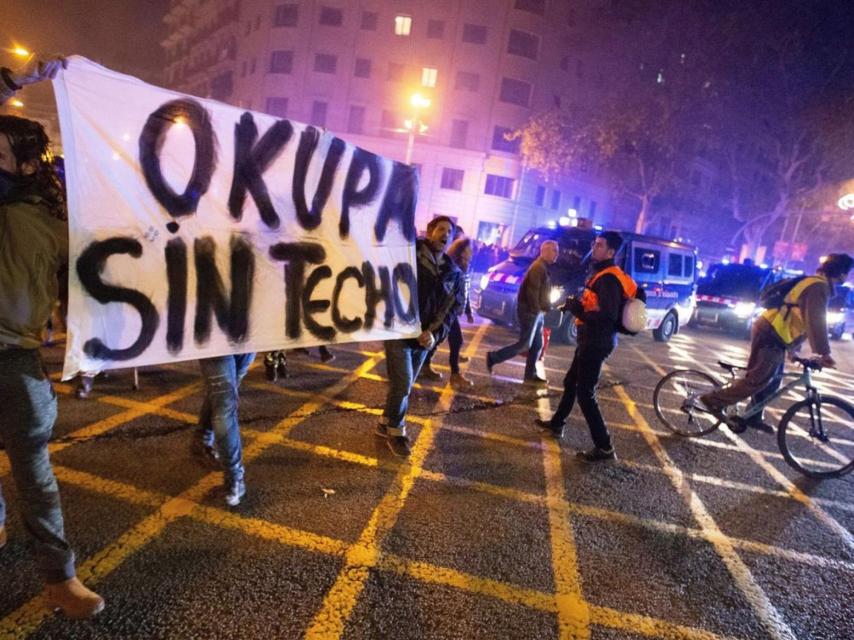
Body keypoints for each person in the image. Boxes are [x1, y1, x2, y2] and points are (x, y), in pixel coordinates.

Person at [0, 102, 104, 616]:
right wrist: (12, 83)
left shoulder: (50, 222)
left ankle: (59, 579)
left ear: (25, 163)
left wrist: (93, 348)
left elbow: (86, 287)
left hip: (15, 360)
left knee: (35, 475)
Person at [698, 253, 853, 428]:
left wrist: (792, 350)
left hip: (774, 331)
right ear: (841, 272)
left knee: (773, 381)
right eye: (848, 272)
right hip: (770, 331)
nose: (847, 276)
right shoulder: (818, 287)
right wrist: (824, 353)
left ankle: (753, 417)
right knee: (757, 380)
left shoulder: (815, 283)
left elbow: (796, 319)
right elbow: (815, 321)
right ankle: (712, 400)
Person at [536, 231, 633, 462]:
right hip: (589, 339)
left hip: (597, 342)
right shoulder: (601, 273)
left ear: (611, 252)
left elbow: (607, 315)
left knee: (585, 393)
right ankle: (557, 423)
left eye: (599, 245)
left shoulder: (609, 278)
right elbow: (595, 306)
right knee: (571, 382)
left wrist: (577, 310)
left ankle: (605, 446)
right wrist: (577, 305)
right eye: (594, 243)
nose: (594, 247)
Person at [377, 216, 462, 457]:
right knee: (403, 383)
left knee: (402, 385)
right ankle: (396, 431)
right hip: (399, 332)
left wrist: (434, 334)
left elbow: (451, 309)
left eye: (450, 232)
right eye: (441, 229)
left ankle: (384, 421)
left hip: (425, 339)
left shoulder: (453, 272)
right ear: (430, 232)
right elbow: (390, 287)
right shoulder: (408, 255)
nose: (445, 234)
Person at [486, 240, 558, 385]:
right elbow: (533, 293)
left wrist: (545, 308)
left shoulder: (542, 267)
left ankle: (530, 375)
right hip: (531, 313)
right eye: (555, 250)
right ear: (545, 251)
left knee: (537, 345)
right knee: (524, 345)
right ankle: (493, 357)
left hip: (537, 312)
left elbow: (541, 293)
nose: (557, 254)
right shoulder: (538, 268)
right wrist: (538, 311)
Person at [193, 353, 255, 505]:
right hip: (218, 341)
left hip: (248, 341)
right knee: (224, 404)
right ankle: (234, 478)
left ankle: (201, 439)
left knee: (223, 392)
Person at [420, 236, 475, 386]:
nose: (472, 252)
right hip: (447, 310)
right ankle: (455, 375)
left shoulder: (466, 267)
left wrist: (469, 311)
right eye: (470, 249)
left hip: (454, 311)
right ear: (462, 251)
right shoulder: (452, 267)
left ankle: (424, 365)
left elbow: (465, 292)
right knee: (456, 341)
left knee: (440, 339)